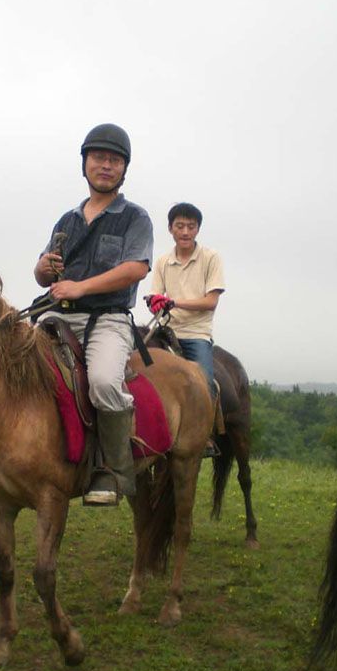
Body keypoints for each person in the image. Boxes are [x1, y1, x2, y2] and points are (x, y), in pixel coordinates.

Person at [34, 123, 154, 506]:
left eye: (114, 160)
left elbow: (136, 268)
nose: (105, 165)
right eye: (98, 158)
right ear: (85, 163)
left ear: (124, 169)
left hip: (107, 319)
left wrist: (81, 287)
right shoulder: (66, 221)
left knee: (103, 382)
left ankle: (113, 470)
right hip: (58, 316)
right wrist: (45, 269)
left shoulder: (135, 217)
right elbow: (40, 274)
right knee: (15, 363)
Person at [147, 202, 224, 397]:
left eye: (191, 226)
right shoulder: (163, 261)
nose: (185, 232)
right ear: (170, 228)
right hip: (165, 331)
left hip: (195, 333)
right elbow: (156, 298)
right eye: (180, 226)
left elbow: (210, 302)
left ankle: (210, 426)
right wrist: (153, 303)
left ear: (198, 229)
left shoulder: (210, 257)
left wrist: (174, 302)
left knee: (205, 387)